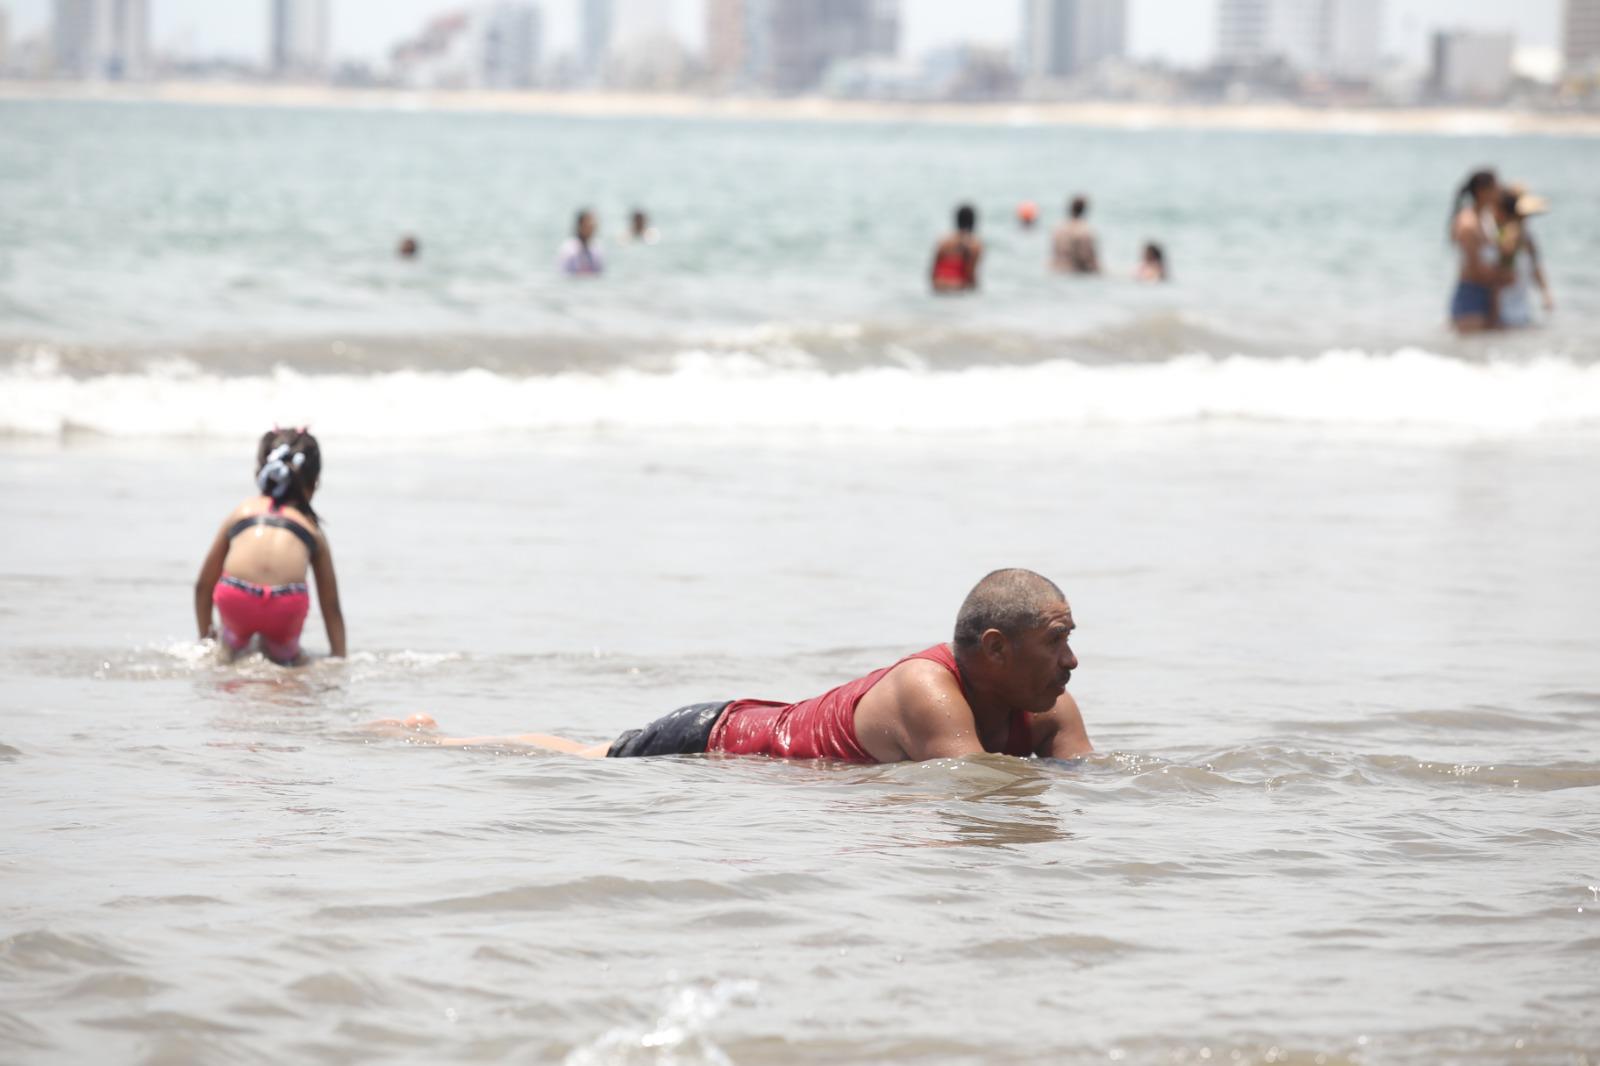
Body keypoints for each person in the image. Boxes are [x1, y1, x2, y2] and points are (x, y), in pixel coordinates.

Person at [380, 569, 1091, 763]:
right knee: (585, 756)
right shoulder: (927, 690)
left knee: (587, 751)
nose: (1071, 660)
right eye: (1055, 640)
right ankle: (436, 740)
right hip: (717, 737)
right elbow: (977, 789)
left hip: (761, 729)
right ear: (995, 649)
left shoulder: (1048, 699)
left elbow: (1089, 782)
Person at [193, 428, 346, 665]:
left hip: (237, 597)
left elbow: (203, 586)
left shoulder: (241, 512)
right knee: (285, 662)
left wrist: (206, 639)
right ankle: (284, 653)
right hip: (284, 605)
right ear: (314, 482)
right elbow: (331, 606)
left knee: (231, 651)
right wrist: (339, 658)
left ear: (260, 472)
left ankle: (231, 646)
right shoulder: (311, 529)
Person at [1448, 169, 1507, 333]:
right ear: (1482, 191)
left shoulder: (1486, 217)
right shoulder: (1468, 224)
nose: (1500, 190)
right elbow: (1473, 269)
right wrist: (1503, 277)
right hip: (1471, 294)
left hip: (1486, 292)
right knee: (1470, 353)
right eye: (1496, 187)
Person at [1493, 185, 1554, 329]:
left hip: (1517, 303)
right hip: (1507, 305)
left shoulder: (1523, 236)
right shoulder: (1509, 235)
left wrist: (1546, 294)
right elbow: (1502, 274)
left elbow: (1535, 266)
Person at [930, 204, 982, 293]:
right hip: (958, 286)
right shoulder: (974, 245)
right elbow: (970, 273)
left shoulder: (944, 241)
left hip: (938, 284)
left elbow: (933, 271)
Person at [1052, 195, 1100, 275]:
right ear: (1084, 210)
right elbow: (1088, 260)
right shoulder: (1084, 232)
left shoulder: (1058, 230)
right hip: (1074, 273)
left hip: (1056, 270)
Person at [558, 209, 604, 276]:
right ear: (580, 226)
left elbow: (600, 274)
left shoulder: (596, 249)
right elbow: (563, 274)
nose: (591, 228)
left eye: (592, 225)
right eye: (588, 225)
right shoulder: (569, 250)